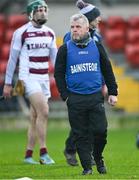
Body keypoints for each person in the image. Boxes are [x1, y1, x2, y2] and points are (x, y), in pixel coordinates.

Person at [54, 13, 118, 175]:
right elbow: (58, 74)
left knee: (101, 131)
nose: (74, 30)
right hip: (75, 98)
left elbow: (107, 70)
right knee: (80, 135)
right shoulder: (64, 48)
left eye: (78, 27)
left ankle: (98, 157)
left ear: (87, 28)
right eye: (72, 27)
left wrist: (112, 92)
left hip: (95, 96)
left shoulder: (96, 46)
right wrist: (65, 95)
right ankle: (87, 168)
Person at [3, 0, 57, 165]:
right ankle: (43, 153)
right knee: (44, 111)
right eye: (39, 10)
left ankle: (28, 155)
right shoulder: (21, 32)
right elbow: (12, 59)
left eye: (44, 10)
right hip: (27, 78)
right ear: (30, 13)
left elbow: (55, 59)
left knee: (35, 116)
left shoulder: (50, 33)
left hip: (44, 79)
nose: (42, 12)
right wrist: (7, 83)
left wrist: (62, 78)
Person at [63, 0, 107, 167]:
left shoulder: (97, 37)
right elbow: (67, 61)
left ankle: (83, 154)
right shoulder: (71, 37)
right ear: (89, 19)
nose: (100, 19)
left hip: (94, 85)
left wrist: (102, 84)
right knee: (82, 123)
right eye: (97, 16)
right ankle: (71, 150)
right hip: (77, 87)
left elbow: (101, 63)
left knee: (92, 123)